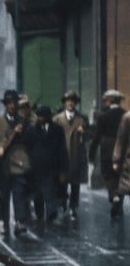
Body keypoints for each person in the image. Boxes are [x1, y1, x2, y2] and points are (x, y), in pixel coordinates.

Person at [0, 89, 30, 237]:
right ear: (5, 105)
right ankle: (5, 223)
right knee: (3, 195)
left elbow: (30, 140)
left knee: (19, 193)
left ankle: (20, 221)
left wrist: (21, 132)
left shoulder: (24, 121)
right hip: (2, 164)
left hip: (19, 163)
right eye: (9, 103)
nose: (12, 106)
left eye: (14, 103)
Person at [24, 105, 67, 223]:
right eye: (38, 116)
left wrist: (63, 169)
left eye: (42, 116)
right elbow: (27, 147)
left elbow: (62, 149)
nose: (39, 119)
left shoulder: (57, 130)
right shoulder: (31, 130)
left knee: (50, 190)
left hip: (52, 166)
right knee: (37, 194)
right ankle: (40, 214)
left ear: (49, 117)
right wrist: (29, 161)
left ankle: (51, 212)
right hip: (36, 167)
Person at [90, 90, 126, 218]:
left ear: (109, 101)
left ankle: (114, 196)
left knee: (108, 175)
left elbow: (97, 136)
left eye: (106, 100)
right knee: (120, 176)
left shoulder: (103, 116)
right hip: (123, 150)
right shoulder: (125, 115)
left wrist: (92, 153)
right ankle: (119, 204)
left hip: (107, 149)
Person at [53, 90, 88, 221]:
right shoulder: (57, 119)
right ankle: (62, 202)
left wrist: (84, 132)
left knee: (75, 183)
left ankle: (73, 207)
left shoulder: (82, 119)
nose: (70, 103)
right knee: (62, 182)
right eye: (68, 101)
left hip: (76, 155)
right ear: (64, 103)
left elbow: (89, 135)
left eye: (73, 101)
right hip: (62, 155)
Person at [113, 107, 130, 216]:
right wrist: (116, 159)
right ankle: (117, 204)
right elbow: (120, 139)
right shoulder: (127, 117)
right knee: (124, 186)